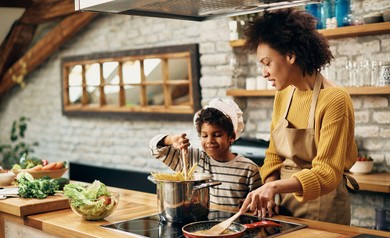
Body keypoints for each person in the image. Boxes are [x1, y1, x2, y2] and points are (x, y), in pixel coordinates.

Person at [240, 8, 358, 225]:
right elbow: (273, 154)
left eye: (267, 63)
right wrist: (272, 193)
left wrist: (274, 187)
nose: (264, 72)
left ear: (291, 56)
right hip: (282, 206)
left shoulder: (334, 99)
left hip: (323, 207)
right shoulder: (283, 94)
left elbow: (327, 172)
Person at [149, 98, 262, 207]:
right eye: (204, 135)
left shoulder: (249, 169)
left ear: (231, 137)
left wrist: (252, 205)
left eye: (217, 135)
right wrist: (171, 139)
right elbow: (155, 148)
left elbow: (259, 203)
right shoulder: (193, 159)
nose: (210, 141)